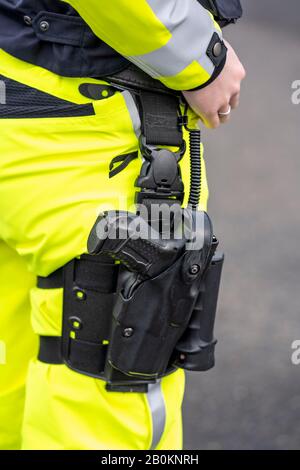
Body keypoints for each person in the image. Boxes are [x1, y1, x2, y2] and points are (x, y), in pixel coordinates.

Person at [0, 0, 245, 450]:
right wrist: (203, 58)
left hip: (16, 91)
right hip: (96, 110)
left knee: (15, 363)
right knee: (113, 379)